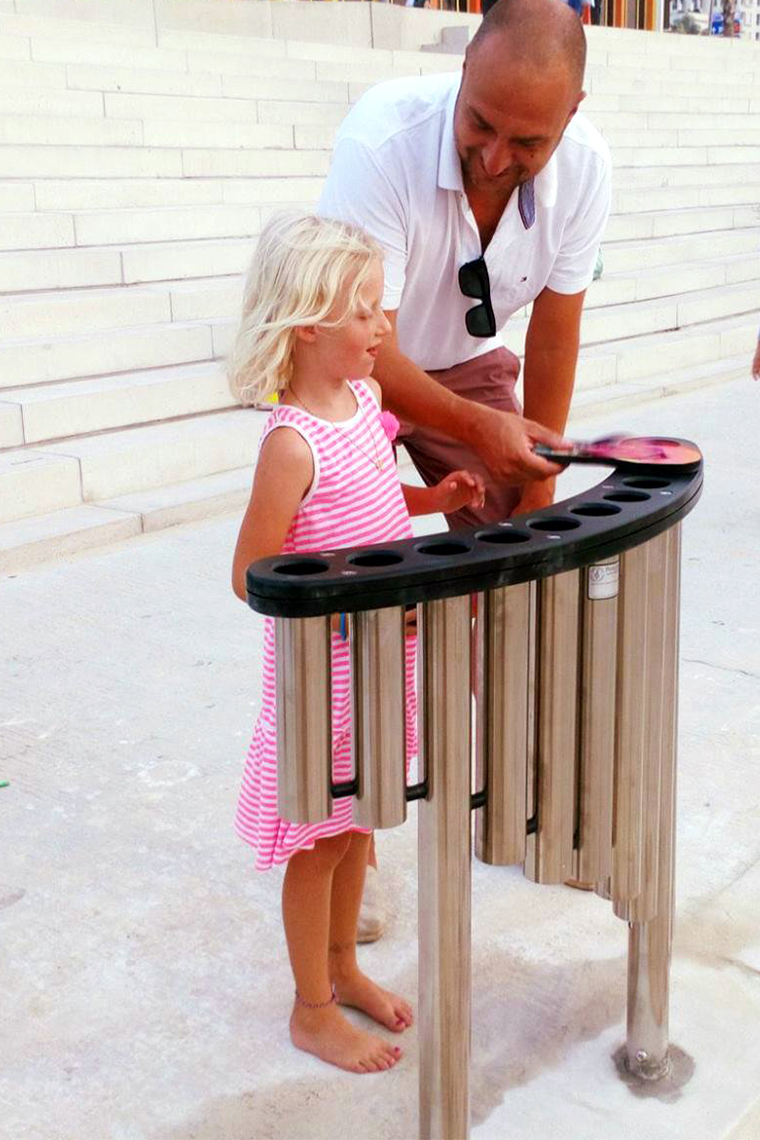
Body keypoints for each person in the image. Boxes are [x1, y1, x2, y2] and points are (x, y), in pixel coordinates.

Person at [318, 0, 611, 926]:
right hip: (357, 366)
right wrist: (481, 434)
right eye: (479, 123)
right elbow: (366, 347)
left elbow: (557, 332)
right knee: (357, 616)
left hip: (472, 371)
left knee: (525, 598)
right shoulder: (382, 140)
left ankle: (526, 809)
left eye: (527, 140)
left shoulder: (589, 167)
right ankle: (340, 862)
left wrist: (539, 480)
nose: (493, 157)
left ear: (571, 115)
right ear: (460, 79)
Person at [229, 212, 485, 1074]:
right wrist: (350, 616)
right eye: (368, 312)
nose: (385, 328)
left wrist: (429, 498)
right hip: (326, 682)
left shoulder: (366, 404)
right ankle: (310, 1009)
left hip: (382, 668)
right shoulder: (291, 443)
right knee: (319, 842)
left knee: (357, 836)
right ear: (308, 323)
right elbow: (256, 574)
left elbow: (365, 509)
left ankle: (343, 970)